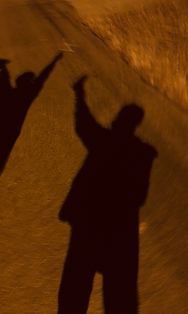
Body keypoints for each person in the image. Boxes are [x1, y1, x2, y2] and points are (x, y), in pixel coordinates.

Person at [58, 76, 158, 314]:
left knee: (74, 291)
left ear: (120, 120)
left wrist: (79, 94)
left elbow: (83, 124)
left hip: (88, 225)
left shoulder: (103, 141)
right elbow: (140, 197)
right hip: (120, 232)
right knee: (120, 298)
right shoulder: (142, 154)